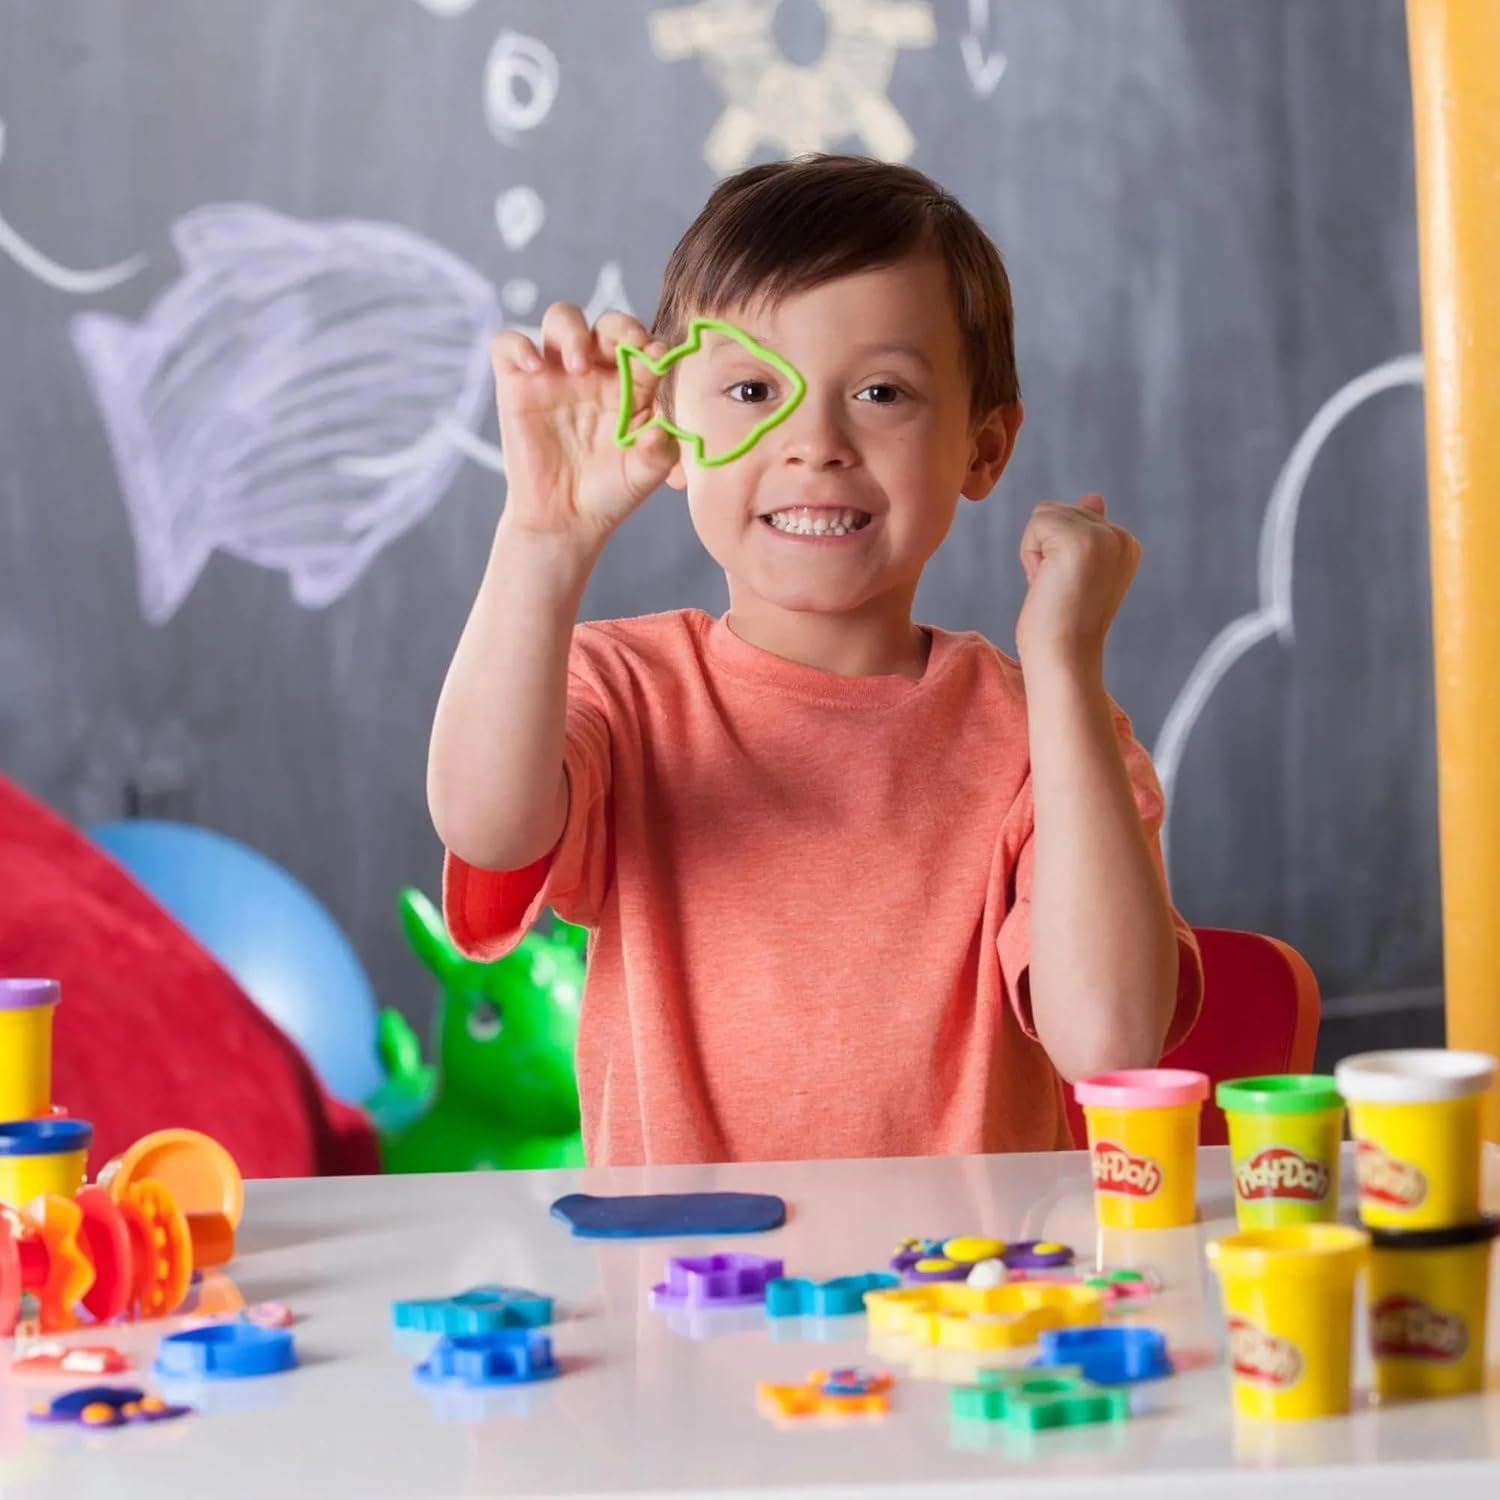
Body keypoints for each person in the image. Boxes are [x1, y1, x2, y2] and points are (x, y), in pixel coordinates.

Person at [428, 154, 1202, 1167]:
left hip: (967, 1308)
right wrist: (542, 536)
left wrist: (1063, 666)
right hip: (686, 1300)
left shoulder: (1048, 739)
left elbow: (1109, 1044)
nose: (814, 441)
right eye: (752, 387)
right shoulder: (623, 691)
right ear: (665, 419)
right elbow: (485, 825)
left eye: (882, 391)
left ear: (983, 449)